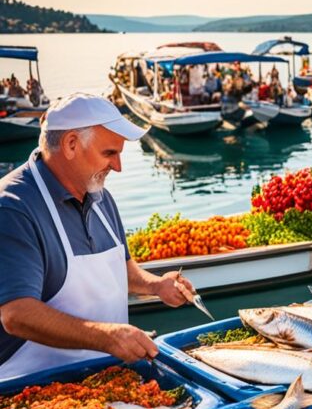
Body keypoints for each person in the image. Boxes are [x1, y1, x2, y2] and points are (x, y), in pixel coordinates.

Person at [0, 94, 197, 380]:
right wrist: (107, 337)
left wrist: (157, 285)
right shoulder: (13, 208)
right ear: (70, 144)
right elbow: (16, 314)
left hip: (108, 382)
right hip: (33, 393)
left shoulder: (100, 197)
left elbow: (123, 270)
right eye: (109, 154)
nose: (118, 166)